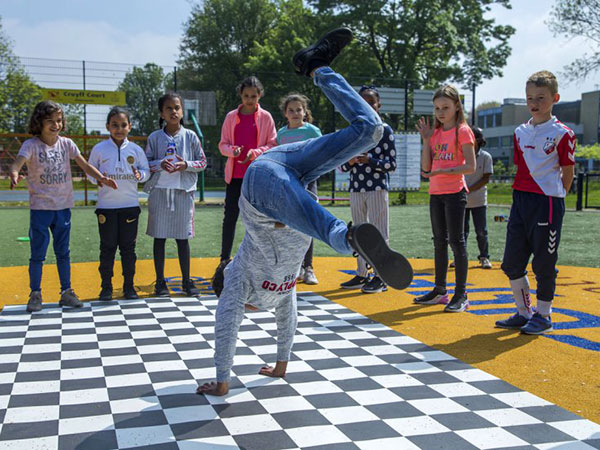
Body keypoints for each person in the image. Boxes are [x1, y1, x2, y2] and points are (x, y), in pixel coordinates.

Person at [198, 28, 413, 396]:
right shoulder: (282, 291)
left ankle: (345, 237)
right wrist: (281, 366)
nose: (249, 311)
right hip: (293, 167)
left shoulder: (236, 280)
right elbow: (289, 318)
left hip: (260, 182)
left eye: (245, 309)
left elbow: (226, 326)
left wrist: (222, 381)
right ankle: (316, 65)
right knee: (371, 130)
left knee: (302, 211)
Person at [9, 100, 117, 312]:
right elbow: (18, 163)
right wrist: (14, 172)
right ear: (39, 122)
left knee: (63, 252)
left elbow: (85, 165)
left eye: (59, 121)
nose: (56, 125)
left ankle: (66, 292)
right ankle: (35, 294)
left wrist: (101, 178)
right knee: (38, 253)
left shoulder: (67, 144)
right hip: (41, 208)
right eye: (50, 121)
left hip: (63, 207)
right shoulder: (30, 145)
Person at [496, 70, 575, 335]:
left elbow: (567, 172)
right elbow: (521, 167)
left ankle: (544, 315)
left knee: (543, 262)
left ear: (555, 98)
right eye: (530, 97)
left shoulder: (563, 133)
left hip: (548, 203)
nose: (534, 102)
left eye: (541, 97)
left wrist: (555, 196)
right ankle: (524, 312)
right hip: (520, 201)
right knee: (511, 262)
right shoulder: (520, 132)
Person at [414, 85, 476, 312]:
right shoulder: (436, 133)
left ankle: (462, 294)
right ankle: (440, 290)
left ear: (457, 106)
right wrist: (426, 140)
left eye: (446, 107)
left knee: (457, 242)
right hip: (436, 193)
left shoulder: (463, 131)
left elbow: (470, 166)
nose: (441, 112)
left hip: (455, 193)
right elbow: (426, 167)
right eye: (437, 108)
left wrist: (443, 172)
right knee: (439, 241)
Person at [144, 93, 206, 297]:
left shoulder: (190, 137)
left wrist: (185, 165)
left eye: (177, 107)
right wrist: (158, 164)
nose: (174, 111)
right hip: (160, 192)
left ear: (182, 111)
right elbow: (145, 163)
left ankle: (187, 281)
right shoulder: (154, 137)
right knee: (159, 237)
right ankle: (160, 282)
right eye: (169, 108)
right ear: (162, 113)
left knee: (182, 238)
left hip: (183, 192)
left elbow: (202, 163)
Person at [88, 107, 150, 301]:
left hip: (130, 206)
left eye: (123, 125)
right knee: (107, 248)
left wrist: (142, 175)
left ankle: (129, 287)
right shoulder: (99, 149)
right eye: (114, 125)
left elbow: (146, 170)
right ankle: (106, 287)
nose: (119, 129)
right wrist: (98, 179)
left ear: (129, 127)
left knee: (128, 249)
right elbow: (90, 173)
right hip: (106, 208)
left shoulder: (136, 150)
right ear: (108, 126)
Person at [339, 85, 397, 293]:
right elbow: (342, 164)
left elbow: (391, 164)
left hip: (377, 188)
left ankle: (381, 276)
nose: (368, 105)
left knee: (380, 232)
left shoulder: (385, 130)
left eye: (371, 102)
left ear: (378, 105)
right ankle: (362, 273)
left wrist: (370, 160)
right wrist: (352, 162)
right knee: (358, 232)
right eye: (363, 102)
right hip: (356, 188)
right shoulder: (354, 130)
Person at [217, 77, 277, 266]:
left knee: (258, 218)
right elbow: (222, 144)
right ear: (240, 95)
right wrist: (231, 151)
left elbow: (272, 144)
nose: (249, 100)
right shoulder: (230, 117)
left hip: (257, 175)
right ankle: (224, 258)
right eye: (246, 96)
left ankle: (260, 258)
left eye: (253, 95)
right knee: (231, 217)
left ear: (259, 95)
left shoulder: (266, 117)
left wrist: (255, 153)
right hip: (235, 176)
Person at [276, 93, 322, 285]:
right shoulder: (281, 134)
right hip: (289, 182)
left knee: (308, 223)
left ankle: (309, 267)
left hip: (309, 180)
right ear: (285, 113)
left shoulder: (313, 131)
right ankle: (295, 268)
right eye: (291, 110)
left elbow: (323, 152)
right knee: (290, 225)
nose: (295, 113)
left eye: (299, 109)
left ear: (305, 112)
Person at [454, 125, 493, 269]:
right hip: (461, 200)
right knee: (461, 231)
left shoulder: (485, 157)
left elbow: (486, 178)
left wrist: (468, 189)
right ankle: (459, 258)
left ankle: (484, 257)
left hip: (479, 200)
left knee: (481, 231)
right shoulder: (461, 154)